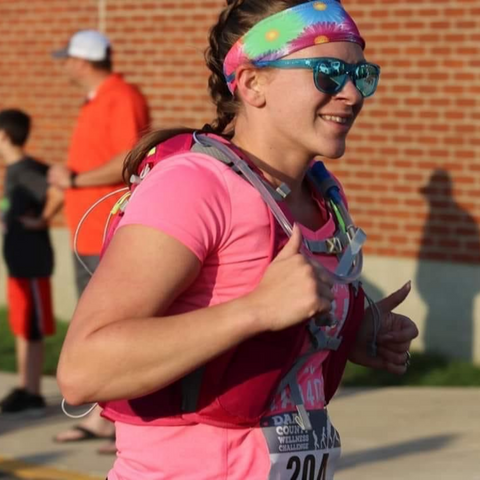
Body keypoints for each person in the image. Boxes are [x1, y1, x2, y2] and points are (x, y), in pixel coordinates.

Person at [57, 1, 418, 478]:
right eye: (328, 73)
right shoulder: (194, 186)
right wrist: (255, 310)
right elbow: (83, 370)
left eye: (361, 75)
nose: (352, 94)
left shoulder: (322, 195)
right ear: (252, 83)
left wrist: (350, 333)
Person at [49, 29, 150, 451]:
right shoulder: (96, 100)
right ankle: (100, 417)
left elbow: (130, 157)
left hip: (105, 230)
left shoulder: (120, 96)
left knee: (109, 329)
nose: (65, 66)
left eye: (68, 59)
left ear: (82, 62)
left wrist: (74, 179)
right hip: (84, 230)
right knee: (96, 326)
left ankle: (120, 420)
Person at [0, 109, 63, 416]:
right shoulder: (13, 172)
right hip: (18, 265)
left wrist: (42, 220)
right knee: (21, 326)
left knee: (33, 328)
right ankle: (27, 386)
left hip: (33, 262)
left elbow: (56, 190)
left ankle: (33, 390)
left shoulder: (26, 170)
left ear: (4, 136)